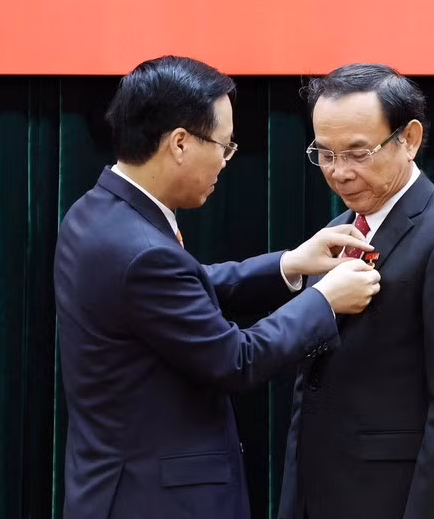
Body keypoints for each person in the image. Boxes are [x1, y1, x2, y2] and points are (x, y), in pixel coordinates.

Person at [53, 56, 381, 519]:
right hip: (158, 501)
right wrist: (323, 301)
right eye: (223, 147)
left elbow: (185, 290)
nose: (226, 162)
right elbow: (235, 359)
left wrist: (288, 265)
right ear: (180, 143)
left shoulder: (95, 213)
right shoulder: (142, 249)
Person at [277, 63, 434, 519]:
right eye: (324, 153)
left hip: (391, 499)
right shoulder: (337, 231)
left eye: (358, 153)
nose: (339, 172)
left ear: (410, 139)